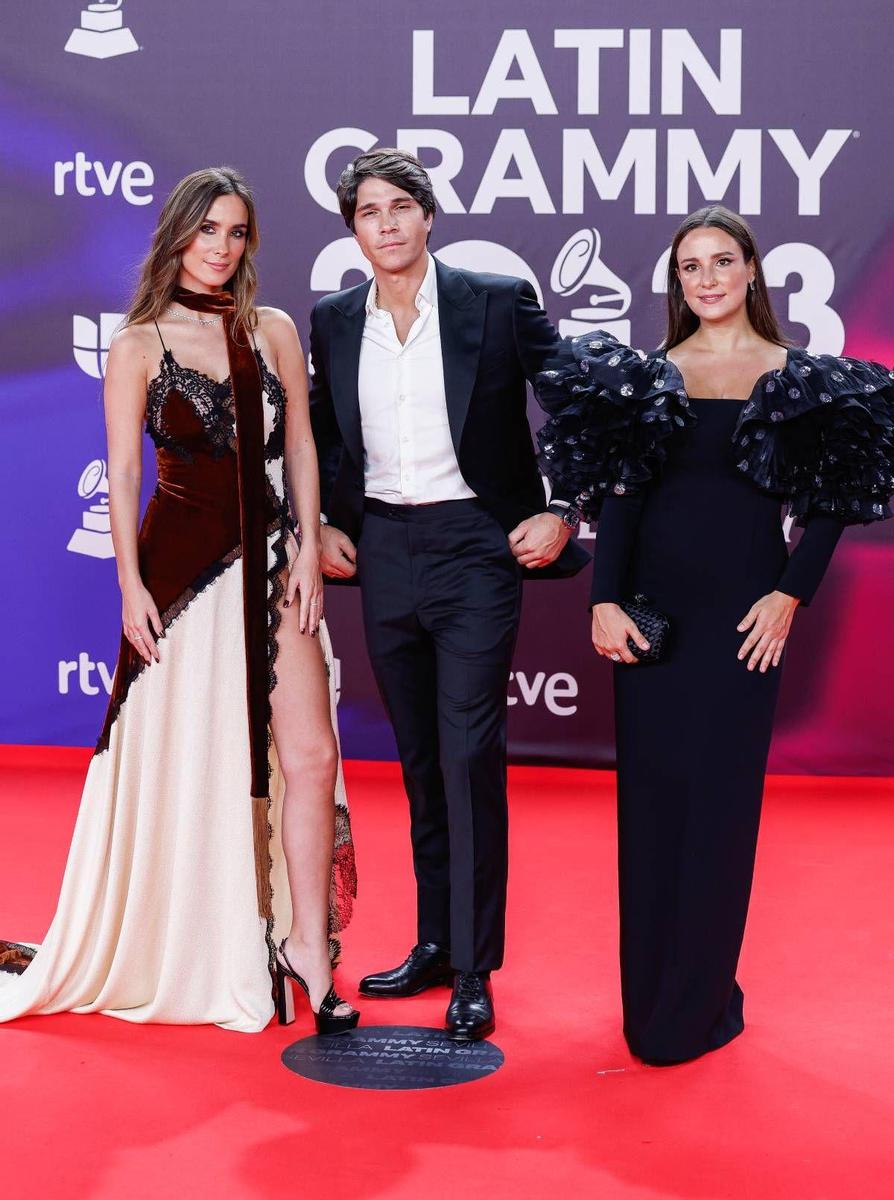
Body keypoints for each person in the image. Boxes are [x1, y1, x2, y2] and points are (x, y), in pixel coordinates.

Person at [0, 167, 358, 1035]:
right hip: (182, 574)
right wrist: (128, 586)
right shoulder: (136, 345)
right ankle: (202, 939)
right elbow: (123, 475)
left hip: (273, 562)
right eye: (208, 232)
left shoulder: (271, 331)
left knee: (309, 757)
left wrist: (308, 544)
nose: (221, 249)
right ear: (178, 236)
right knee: (194, 763)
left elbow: (302, 445)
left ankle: (308, 946)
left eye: (236, 234)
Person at [536, 205, 894, 1065]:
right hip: (654, 618)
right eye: (690, 266)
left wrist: (788, 596)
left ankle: (697, 1004)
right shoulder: (649, 375)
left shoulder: (798, 376)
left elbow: (838, 500)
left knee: (721, 811)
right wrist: (603, 600)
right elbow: (621, 496)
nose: (706, 279)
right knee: (653, 805)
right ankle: (651, 998)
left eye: (721, 262)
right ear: (677, 283)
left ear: (750, 273)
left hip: (743, 621)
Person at [309, 148, 589, 1041]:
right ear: (352, 229)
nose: (385, 224)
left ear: (430, 216)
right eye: (367, 212)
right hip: (384, 547)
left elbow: (580, 401)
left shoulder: (495, 302)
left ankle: (474, 965)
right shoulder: (335, 318)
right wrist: (319, 522)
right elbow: (320, 433)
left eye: (400, 207)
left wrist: (562, 507)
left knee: (469, 754)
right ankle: (435, 941)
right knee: (423, 759)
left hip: (476, 543)